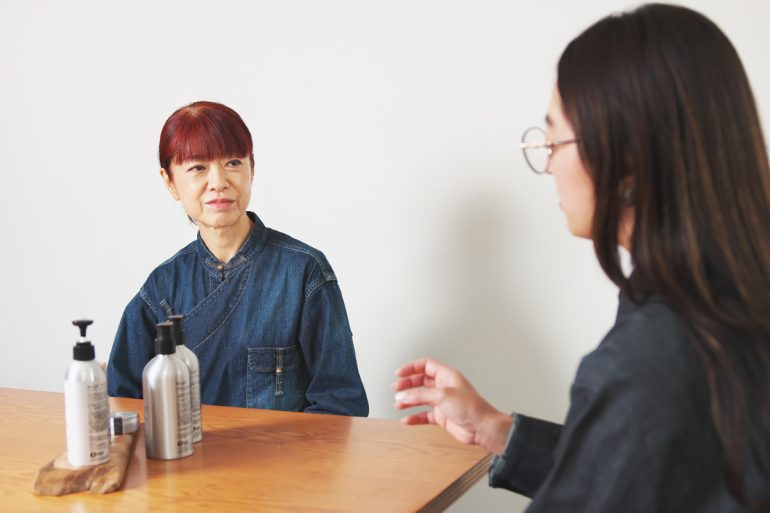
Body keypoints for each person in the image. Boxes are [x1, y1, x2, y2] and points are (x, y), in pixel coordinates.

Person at [393, 4, 770, 511]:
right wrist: (498, 431)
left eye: (554, 139)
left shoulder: (647, 358)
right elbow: (653, 473)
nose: (548, 163)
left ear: (627, 159)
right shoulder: (731, 303)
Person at [108, 101, 368, 416]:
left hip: (282, 450)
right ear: (170, 181)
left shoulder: (304, 272)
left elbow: (340, 404)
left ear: (251, 169)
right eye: (198, 168)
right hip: (188, 449)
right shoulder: (161, 289)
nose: (219, 182)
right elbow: (122, 405)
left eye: (232, 162)